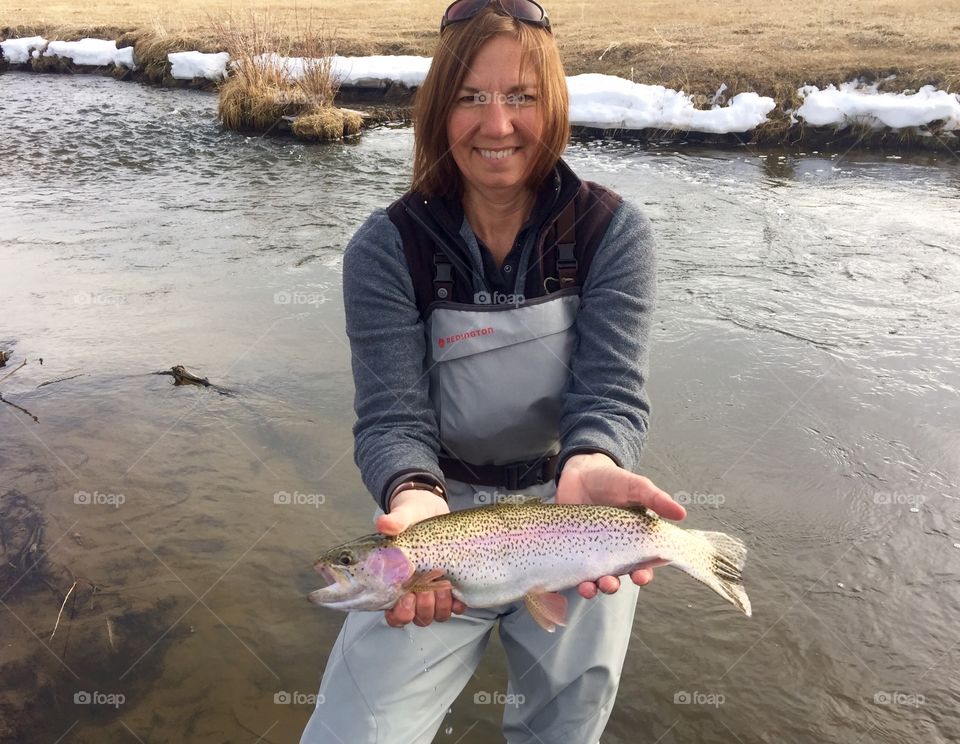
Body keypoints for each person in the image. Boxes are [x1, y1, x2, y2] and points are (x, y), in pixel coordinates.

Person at [301, 1, 686, 742]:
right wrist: (414, 501)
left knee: (564, 730)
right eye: (471, 97)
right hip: (440, 515)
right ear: (439, 112)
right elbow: (391, 419)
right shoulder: (386, 249)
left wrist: (596, 461)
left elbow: (608, 395)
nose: (497, 123)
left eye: (522, 97)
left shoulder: (614, 234)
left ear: (556, 107)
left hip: (569, 515)